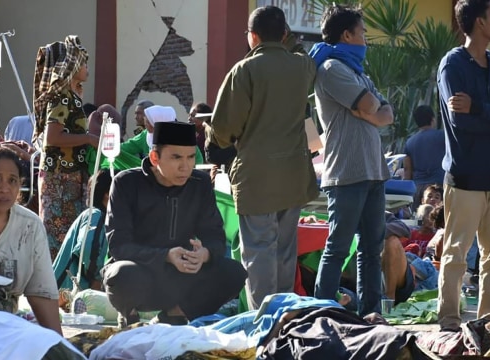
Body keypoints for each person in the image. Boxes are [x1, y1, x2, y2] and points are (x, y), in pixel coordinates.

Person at [209, 6, 317, 310]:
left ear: (252, 36)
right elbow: (299, 53)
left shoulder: (243, 71)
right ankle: (284, 320)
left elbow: (223, 129)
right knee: (285, 250)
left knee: (258, 252)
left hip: (256, 176)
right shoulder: (303, 66)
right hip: (294, 175)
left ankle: (263, 321)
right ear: (284, 34)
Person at [103, 121, 247, 327]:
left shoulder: (200, 184)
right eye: (176, 157)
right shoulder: (126, 183)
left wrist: (204, 254)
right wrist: (165, 256)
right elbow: (119, 245)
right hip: (142, 271)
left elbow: (215, 236)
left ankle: (174, 314)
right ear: (155, 157)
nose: (185, 166)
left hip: (183, 273)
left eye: (190, 157)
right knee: (121, 274)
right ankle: (130, 316)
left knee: (234, 272)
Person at [436, 0, 490, 332]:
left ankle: (487, 322)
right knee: (456, 255)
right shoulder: (452, 65)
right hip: (466, 177)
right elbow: (460, 123)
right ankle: (449, 322)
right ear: (480, 22)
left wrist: (481, 109)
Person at [309, 4, 394, 316]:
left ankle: (370, 314)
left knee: (372, 250)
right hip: (346, 172)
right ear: (347, 34)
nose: (365, 41)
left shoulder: (358, 72)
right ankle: (322, 314)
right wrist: (370, 109)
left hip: (373, 170)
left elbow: (385, 113)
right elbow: (371, 104)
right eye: (362, 34)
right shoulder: (332, 68)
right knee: (338, 248)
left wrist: (368, 111)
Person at [0, 146, 61, 335]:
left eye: (12, 180)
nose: (4, 188)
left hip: (4, 329)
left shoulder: (30, 227)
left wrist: (60, 348)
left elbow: (42, 294)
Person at [33, 35, 99, 260]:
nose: (87, 68)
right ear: (71, 65)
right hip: (59, 178)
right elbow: (53, 137)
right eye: (84, 63)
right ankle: (54, 287)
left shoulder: (71, 96)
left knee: (70, 232)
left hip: (69, 175)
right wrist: (89, 138)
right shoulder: (61, 97)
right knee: (58, 236)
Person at [53, 169, 114, 291]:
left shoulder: (104, 218)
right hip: (67, 291)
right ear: (107, 194)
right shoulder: (95, 215)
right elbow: (88, 248)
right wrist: (96, 278)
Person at [382, 212, 438, 306]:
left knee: (392, 241)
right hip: (357, 284)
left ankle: (389, 299)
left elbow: (404, 229)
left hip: (396, 281)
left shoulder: (377, 211)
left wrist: (373, 231)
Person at [403, 105, 445, 208]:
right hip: (439, 188)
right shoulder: (443, 136)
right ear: (432, 119)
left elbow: (407, 170)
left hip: (418, 189)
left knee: (418, 221)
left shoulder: (409, 142)